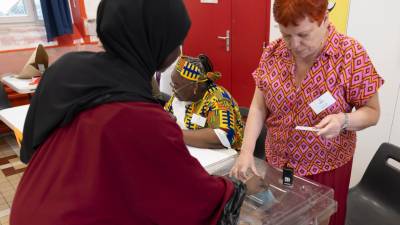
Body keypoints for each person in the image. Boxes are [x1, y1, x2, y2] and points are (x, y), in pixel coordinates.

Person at [10, 0, 245, 224]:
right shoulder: (142, 117)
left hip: (31, 204)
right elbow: (194, 197)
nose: (178, 51)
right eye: (176, 41)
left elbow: (32, 149)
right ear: (156, 43)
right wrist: (237, 188)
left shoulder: (64, 70)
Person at [230, 1, 384, 225]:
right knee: (281, 218)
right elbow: (258, 106)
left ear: (324, 19)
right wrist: (246, 151)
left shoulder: (350, 54)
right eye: (286, 35)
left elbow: (372, 112)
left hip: (325, 167)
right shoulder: (273, 53)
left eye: (303, 34)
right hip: (278, 163)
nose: (295, 44)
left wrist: (344, 120)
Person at [164, 54, 244, 150]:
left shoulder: (218, 98)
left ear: (195, 86)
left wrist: (175, 133)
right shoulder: (179, 95)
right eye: (172, 83)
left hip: (226, 157)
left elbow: (223, 136)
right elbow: (166, 114)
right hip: (192, 150)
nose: (173, 89)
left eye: (176, 85)